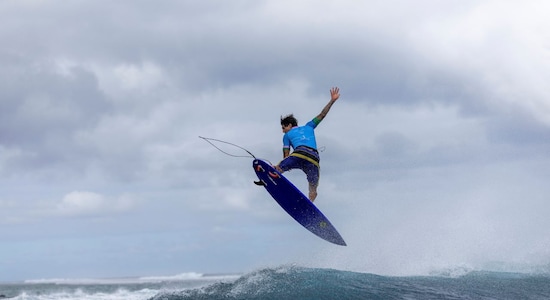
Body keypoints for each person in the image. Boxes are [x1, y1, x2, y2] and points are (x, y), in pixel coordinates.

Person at [274, 87, 340, 202]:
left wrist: (284, 167)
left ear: (289, 125)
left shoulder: (287, 135)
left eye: (283, 127)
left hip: (299, 154)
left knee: (278, 168)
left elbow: (286, 155)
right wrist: (332, 101)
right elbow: (322, 114)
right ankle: (310, 204)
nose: (283, 130)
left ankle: (270, 178)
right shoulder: (309, 126)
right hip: (314, 158)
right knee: (313, 187)